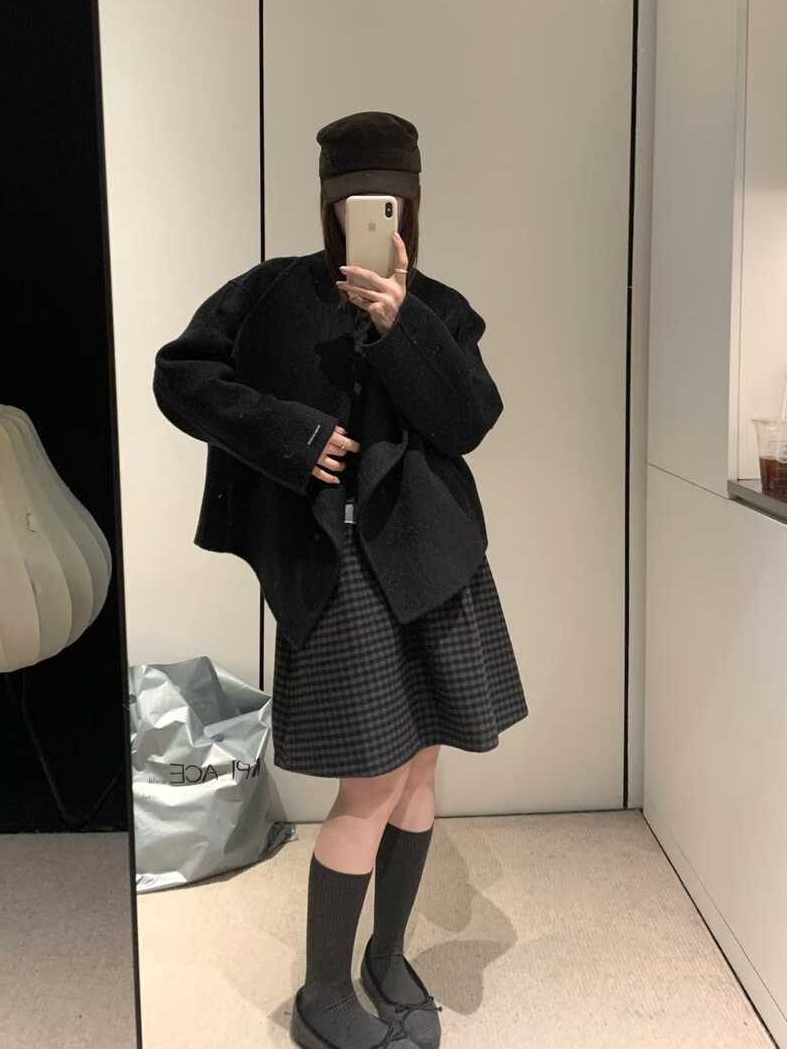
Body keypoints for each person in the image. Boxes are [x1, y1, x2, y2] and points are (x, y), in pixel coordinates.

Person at [154, 111, 528, 1049]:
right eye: (354, 201)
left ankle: (386, 957)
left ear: (412, 205)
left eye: (389, 202)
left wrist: (401, 325)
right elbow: (179, 377)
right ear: (327, 203)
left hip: (435, 561)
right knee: (372, 779)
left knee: (423, 763)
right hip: (337, 562)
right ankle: (323, 994)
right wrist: (292, 436)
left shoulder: (439, 308)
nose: (370, 217)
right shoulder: (269, 294)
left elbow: (469, 421)